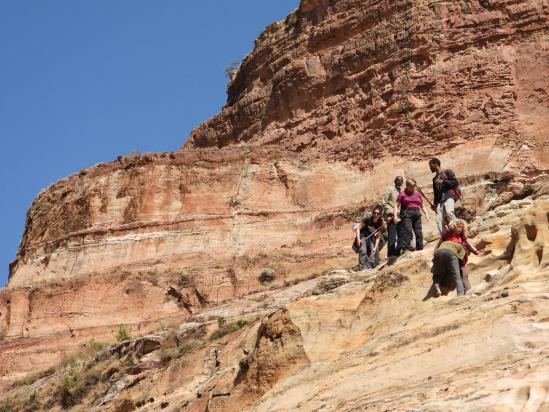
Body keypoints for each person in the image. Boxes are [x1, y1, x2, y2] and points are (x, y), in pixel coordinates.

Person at [433, 219, 479, 295]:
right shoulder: (450, 236)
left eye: (461, 227)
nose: (460, 229)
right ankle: (461, 294)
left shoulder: (456, 236)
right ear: (453, 227)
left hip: (446, 253)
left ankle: (440, 286)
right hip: (451, 253)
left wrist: (475, 251)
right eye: (458, 227)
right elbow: (438, 244)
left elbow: (468, 244)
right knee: (456, 274)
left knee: (442, 272)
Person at [394, 178, 429, 253]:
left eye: (414, 186)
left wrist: (426, 214)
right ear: (407, 186)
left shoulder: (418, 194)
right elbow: (396, 206)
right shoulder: (402, 194)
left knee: (418, 232)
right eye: (411, 187)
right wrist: (395, 216)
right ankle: (406, 248)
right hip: (406, 214)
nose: (413, 188)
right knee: (408, 230)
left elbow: (422, 206)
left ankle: (420, 248)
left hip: (417, 214)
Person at [429, 158, 460, 236]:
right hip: (440, 200)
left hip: (449, 195)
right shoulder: (434, 179)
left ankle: (459, 230)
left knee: (449, 213)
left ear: (435, 164)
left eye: (430, 165)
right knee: (439, 219)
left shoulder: (447, 171)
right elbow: (436, 193)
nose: (430, 168)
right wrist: (435, 205)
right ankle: (444, 236)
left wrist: (443, 182)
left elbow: (455, 182)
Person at [354, 205, 386, 270]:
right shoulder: (368, 219)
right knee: (363, 251)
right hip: (363, 236)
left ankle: (374, 266)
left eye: (378, 213)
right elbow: (358, 228)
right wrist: (358, 239)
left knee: (375, 250)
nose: (376, 214)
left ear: (380, 214)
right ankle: (362, 268)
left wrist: (375, 247)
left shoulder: (380, 223)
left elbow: (378, 236)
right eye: (374, 213)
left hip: (371, 238)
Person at [383, 176, 403, 259]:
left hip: (400, 216)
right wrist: (390, 213)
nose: (399, 181)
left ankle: (398, 253)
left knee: (401, 235)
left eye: (401, 180)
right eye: (398, 180)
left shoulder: (402, 192)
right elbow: (385, 202)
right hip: (391, 216)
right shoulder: (389, 189)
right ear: (395, 181)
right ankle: (391, 254)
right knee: (392, 235)